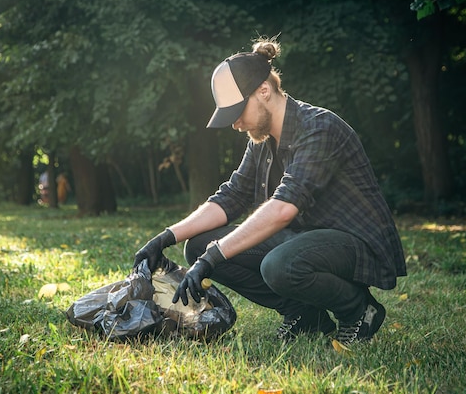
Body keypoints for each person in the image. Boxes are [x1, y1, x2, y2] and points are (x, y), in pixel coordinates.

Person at [133, 37, 406, 349]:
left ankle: (359, 310)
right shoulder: (261, 142)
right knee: (198, 246)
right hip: (304, 240)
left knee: (278, 265)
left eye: (237, 111)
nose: (235, 124)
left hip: (353, 243)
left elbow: (283, 208)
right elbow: (231, 196)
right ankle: (304, 316)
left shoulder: (319, 128)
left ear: (264, 91)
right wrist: (166, 237)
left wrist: (213, 257)